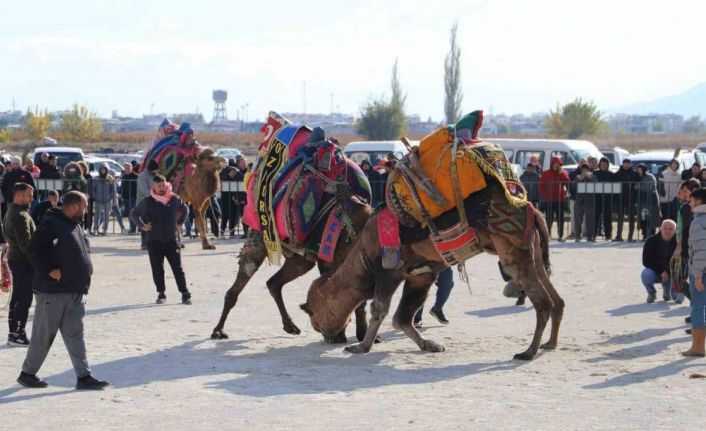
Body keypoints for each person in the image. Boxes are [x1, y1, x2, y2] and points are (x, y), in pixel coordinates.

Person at [17, 191, 109, 389]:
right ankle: (27, 374)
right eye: (84, 207)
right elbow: (33, 249)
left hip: (75, 291)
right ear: (75, 206)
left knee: (76, 334)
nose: (85, 211)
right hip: (53, 293)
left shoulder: (75, 225)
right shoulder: (52, 223)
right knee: (43, 336)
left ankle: (84, 376)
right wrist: (49, 269)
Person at [130, 175, 191, 304]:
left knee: (178, 268)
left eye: (164, 185)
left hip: (171, 240)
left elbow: (185, 209)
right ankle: (161, 294)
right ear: (154, 187)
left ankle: (185, 293)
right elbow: (134, 214)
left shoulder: (173, 198)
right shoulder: (148, 201)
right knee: (157, 269)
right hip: (154, 241)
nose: (162, 188)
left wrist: (180, 223)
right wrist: (142, 226)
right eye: (159, 186)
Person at [3, 183, 36, 346]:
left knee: (18, 296)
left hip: (17, 259)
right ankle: (17, 333)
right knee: (24, 297)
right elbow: (26, 244)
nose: (32, 198)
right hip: (22, 261)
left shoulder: (13, 211)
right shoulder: (19, 214)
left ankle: (14, 332)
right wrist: (39, 261)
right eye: (29, 195)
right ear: (19, 196)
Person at [684, 188, 706, 357]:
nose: (689, 204)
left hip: (702, 271)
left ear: (698, 202)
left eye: (691, 201)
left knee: (697, 307)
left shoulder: (698, 222)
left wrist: (697, 274)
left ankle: (698, 346)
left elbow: (701, 250)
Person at [673, 179, 700, 303]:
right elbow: (680, 229)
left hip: (698, 250)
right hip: (685, 248)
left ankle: (698, 311)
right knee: (679, 279)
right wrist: (678, 245)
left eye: (685, 191)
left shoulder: (701, 208)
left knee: (697, 281)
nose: (683, 194)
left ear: (694, 191)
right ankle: (695, 307)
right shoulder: (684, 208)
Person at [641, 219, 677, 303]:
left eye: (670, 229)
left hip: (673, 272)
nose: (667, 230)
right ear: (660, 229)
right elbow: (646, 261)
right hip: (656, 271)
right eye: (665, 228)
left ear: (675, 231)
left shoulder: (679, 242)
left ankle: (669, 290)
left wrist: (668, 272)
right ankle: (652, 293)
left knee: (677, 299)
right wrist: (661, 271)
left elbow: (683, 261)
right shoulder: (651, 241)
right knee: (645, 274)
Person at [539, 157, 570, 241]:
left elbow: (567, 181)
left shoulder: (563, 172)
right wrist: (546, 196)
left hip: (560, 199)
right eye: (555, 163)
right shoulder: (545, 173)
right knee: (549, 218)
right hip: (549, 200)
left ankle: (561, 235)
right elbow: (541, 186)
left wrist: (561, 173)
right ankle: (547, 235)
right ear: (552, 164)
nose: (556, 165)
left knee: (560, 218)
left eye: (558, 164)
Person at [613, 159, 638, 242]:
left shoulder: (634, 174)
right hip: (620, 198)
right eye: (625, 163)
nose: (626, 165)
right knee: (620, 217)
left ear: (630, 165)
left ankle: (630, 235)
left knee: (631, 217)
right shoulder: (617, 174)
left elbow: (637, 184)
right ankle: (618, 235)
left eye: (628, 163)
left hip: (631, 198)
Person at [137, 160, 159, 249]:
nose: (157, 171)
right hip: (144, 203)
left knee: (154, 223)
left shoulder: (155, 176)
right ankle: (144, 243)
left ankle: (152, 243)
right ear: (151, 169)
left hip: (155, 203)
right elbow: (144, 191)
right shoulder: (142, 176)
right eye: (155, 170)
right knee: (145, 223)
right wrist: (157, 194)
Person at [635, 164, 661, 239]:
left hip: (651, 199)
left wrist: (640, 187)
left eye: (640, 169)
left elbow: (650, 187)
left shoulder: (650, 177)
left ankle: (652, 233)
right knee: (643, 217)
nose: (638, 171)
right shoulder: (637, 177)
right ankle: (644, 233)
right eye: (638, 169)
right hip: (642, 200)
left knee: (652, 217)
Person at [573, 164, 597, 242]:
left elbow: (595, 184)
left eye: (586, 170)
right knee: (578, 219)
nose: (584, 172)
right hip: (579, 201)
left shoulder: (593, 177)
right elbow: (574, 186)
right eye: (583, 170)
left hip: (590, 200)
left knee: (590, 219)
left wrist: (589, 177)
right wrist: (581, 178)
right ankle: (577, 235)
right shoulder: (577, 177)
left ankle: (590, 236)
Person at [90, 166, 115, 236]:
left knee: (107, 216)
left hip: (107, 200)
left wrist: (110, 197)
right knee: (97, 215)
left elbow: (113, 189)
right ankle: (95, 229)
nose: (103, 171)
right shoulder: (95, 178)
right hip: (98, 200)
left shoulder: (110, 178)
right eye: (102, 169)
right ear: (100, 170)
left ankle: (105, 229)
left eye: (104, 170)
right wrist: (95, 197)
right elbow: (93, 189)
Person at [594, 157, 615, 240]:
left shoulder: (611, 174)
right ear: (599, 165)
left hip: (607, 199)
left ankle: (608, 235)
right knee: (595, 217)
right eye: (602, 164)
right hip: (597, 198)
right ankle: (594, 234)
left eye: (605, 165)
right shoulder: (595, 173)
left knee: (607, 217)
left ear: (607, 165)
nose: (603, 166)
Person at [121, 163, 139, 234]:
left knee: (133, 213)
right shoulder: (124, 176)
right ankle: (132, 228)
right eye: (125, 168)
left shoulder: (136, 176)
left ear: (131, 168)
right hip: (126, 198)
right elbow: (122, 187)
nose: (127, 169)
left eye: (128, 168)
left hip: (133, 197)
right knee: (129, 214)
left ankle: (134, 228)